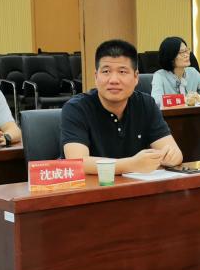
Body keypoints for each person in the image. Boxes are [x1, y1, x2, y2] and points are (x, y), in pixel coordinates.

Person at [61, 38, 182, 172]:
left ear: (136, 77)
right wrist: (131, 165)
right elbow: (77, 163)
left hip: (134, 184)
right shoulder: (77, 108)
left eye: (122, 72)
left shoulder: (146, 104)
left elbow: (175, 154)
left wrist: (170, 157)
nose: (114, 80)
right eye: (106, 71)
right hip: (92, 184)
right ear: (96, 76)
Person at [151, 36, 200, 106]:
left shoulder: (193, 72)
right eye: (181, 52)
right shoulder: (159, 76)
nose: (186, 55)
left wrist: (198, 98)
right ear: (170, 57)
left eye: (186, 50)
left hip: (193, 112)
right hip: (171, 113)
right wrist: (185, 99)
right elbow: (156, 101)